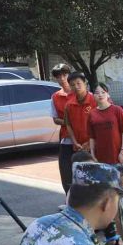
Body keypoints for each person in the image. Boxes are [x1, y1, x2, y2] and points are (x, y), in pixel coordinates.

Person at [50, 64, 77, 193]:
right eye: (59, 76)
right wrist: (68, 123)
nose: (62, 79)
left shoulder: (79, 93)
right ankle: (69, 199)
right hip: (66, 138)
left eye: (65, 75)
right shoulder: (55, 96)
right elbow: (55, 119)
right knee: (66, 171)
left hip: (83, 139)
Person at [88, 83, 123, 166]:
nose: (100, 95)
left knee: (121, 178)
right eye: (97, 92)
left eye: (103, 92)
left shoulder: (117, 110)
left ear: (108, 94)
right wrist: (92, 153)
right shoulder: (91, 114)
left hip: (117, 156)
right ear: (93, 95)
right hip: (100, 157)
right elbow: (92, 137)